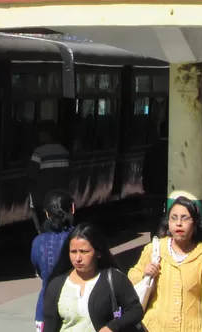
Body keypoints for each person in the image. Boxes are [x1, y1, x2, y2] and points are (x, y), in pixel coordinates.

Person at [127, 193, 202, 332]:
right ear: (168, 223)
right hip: (152, 328)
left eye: (185, 218)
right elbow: (131, 276)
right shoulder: (155, 249)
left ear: (195, 224)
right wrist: (144, 273)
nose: (178, 223)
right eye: (173, 218)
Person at [41, 222, 144, 332]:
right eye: (73, 252)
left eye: (84, 252)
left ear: (98, 253)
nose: (78, 258)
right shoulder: (56, 285)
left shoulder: (114, 279)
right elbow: (49, 326)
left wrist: (112, 327)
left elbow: (136, 311)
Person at [31, 189, 76, 331]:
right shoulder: (80, 238)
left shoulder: (38, 242)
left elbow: (39, 271)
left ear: (46, 213)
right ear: (73, 209)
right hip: (75, 311)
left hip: (45, 310)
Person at [28, 120, 70, 234]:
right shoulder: (64, 151)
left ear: (46, 134)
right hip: (59, 197)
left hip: (42, 198)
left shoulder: (39, 152)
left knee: (42, 226)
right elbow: (67, 175)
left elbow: (32, 174)